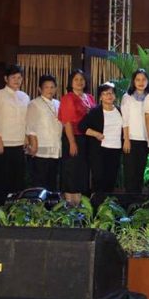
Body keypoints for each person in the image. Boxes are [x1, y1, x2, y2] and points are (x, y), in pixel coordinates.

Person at [0, 64, 30, 201]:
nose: (17, 80)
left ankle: (16, 206)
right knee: (2, 177)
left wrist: (26, 136)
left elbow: (26, 119)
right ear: (6, 79)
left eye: (19, 77)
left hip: (19, 142)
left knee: (18, 177)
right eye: (13, 77)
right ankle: (0, 206)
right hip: (3, 142)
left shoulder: (24, 96)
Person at [58, 69, 95, 205]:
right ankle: (70, 204)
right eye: (76, 79)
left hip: (87, 139)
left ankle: (81, 204)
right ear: (71, 82)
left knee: (83, 171)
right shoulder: (68, 98)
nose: (79, 82)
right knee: (72, 170)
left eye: (82, 79)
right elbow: (67, 121)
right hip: (72, 137)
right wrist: (72, 142)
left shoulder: (89, 97)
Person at [81, 83, 122, 193]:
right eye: (105, 93)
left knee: (111, 179)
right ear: (100, 97)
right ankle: (97, 206)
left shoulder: (120, 110)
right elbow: (82, 127)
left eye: (111, 93)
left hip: (116, 149)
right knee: (99, 180)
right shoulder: (95, 111)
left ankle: (108, 206)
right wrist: (96, 134)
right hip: (99, 150)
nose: (109, 95)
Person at [25, 74, 63, 191]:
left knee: (52, 180)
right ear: (40, 89)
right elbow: (30, 126)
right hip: (40, 148)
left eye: (52, 87)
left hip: (55, 146)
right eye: (46, 87)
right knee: (39, 180)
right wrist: (33, 145)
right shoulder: (34, 104)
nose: (50, 90)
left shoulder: (58, 103)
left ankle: (50, 206)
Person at [121, 69, 149, 193]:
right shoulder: (127, 97)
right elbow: (125, 120)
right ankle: (129, 203)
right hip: (131, 140)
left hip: (145, 140)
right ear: (133, 81)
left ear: (148, 81)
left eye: (144, 79)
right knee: (130, 173)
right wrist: (126, 139)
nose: (141, 82)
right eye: (138, 79)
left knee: (140, 172)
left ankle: (138, 203)